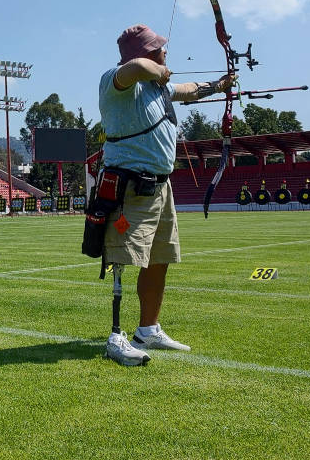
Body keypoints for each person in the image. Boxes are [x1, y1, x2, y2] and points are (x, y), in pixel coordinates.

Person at [97, 24, 235, 366]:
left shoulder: (157, 89)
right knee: (122, 258)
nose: (165, 52)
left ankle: (148, 329)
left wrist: (219, 85)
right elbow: (135, 69)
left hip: (160, 185)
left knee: (160, 258)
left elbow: (186, 89)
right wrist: (156, 70)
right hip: (128, 185)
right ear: (145, 53)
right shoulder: (116, 82)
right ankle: (116, 336)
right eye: (159, 49)